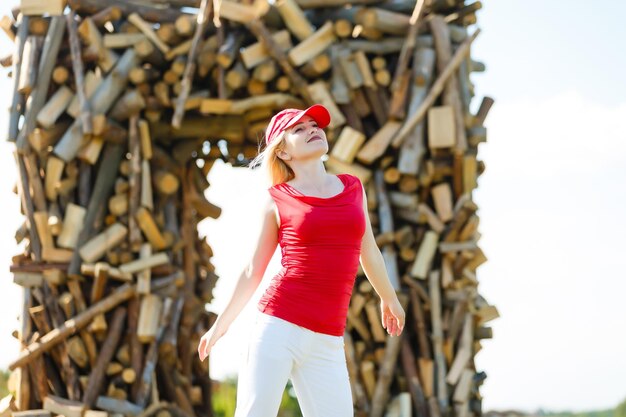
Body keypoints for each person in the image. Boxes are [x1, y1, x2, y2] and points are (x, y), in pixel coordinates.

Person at [197, 103, 406, 417]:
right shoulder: (277, 198)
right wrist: (220, 326)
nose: (313, 130)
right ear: (283, 152)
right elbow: (254, 268)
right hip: (278, 327)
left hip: (329, 339)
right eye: (299, 129)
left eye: (315, 125)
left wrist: (388, 296)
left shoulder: (352, 188)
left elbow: (369, 249)